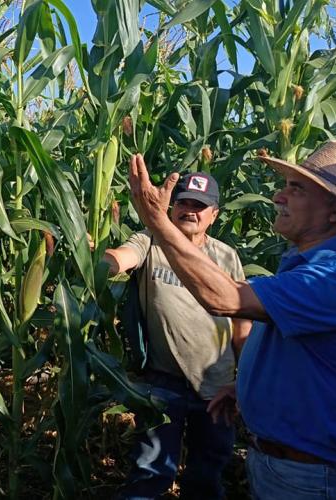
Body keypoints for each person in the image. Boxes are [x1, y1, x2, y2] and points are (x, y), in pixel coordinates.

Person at [127, 141, 336, 499]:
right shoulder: (310, 264)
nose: (278, 198)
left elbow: (224, 299)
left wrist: (157, 220)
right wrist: (247, 387)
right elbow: (310, 352)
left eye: (295, 189)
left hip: (315, 479)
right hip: (289, 467)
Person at [105, 172, 252, 499]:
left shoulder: (226, 256)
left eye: (200, 205)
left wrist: (242, 380)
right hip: (162, 382)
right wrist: (98, 261)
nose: (190, 210)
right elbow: (119, 259)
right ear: (170, 207)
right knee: (150, 471)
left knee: (208, 472)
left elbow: (242, 322)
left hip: (217, 385)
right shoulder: (150, 241)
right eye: (183, 202)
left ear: (213, 215)